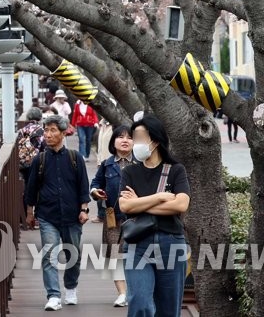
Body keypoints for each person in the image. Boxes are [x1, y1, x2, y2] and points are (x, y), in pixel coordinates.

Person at [119, 115, 191, 317]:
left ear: (155, 141)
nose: (135, 143)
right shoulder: (130, 172)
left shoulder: (176, 170)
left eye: (139, 138)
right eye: (134, 138)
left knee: (168, 310)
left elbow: (180, 204)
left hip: (171, 244)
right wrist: (159, 197)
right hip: (138, 245)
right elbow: (125, 205)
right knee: (140, 302)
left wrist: (139, 203)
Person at [25, 114, 89, 311]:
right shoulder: (40, 160)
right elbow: (31, 189)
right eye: (46, 130)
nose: (48, 134)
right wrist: (30, 213)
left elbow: (83, 186)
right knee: (49, 255)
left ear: (63, 133)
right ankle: (53, 295)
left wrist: (84, 209)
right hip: (47, 215)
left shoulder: (75, 157)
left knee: (74, 255)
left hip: (72, 215)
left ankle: (71, 288)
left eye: (53, 130)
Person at [90, 125, 135, 307]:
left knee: (134, 255)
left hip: (136, 218)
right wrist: (95, 192)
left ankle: (134, 290)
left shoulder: (141, 164)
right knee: (114, 256)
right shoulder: (107, 164)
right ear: (113, 141)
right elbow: (95, 183)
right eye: (120, 137)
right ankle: (122, 293)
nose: (125, 140)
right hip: (112, 218)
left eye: (129, 137)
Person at [16, 107, 45, 228]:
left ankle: (25, 218)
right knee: (40, 189)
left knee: (27, 189)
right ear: (40, 117)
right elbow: (44, 147)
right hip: (38, 164)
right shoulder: (41, 130)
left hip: (24, 164)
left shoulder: (22, 130)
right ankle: (38, 218)